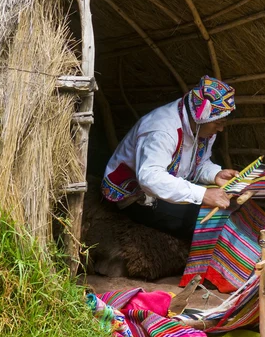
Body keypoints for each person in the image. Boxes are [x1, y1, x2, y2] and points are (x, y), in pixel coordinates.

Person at [101, 75, 238, 241]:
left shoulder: (203, 129)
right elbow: (150, 179)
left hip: (168, 186)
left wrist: (215, 174)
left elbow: (198, 163)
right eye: (218, 123)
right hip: (137, 196)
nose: (221, 129)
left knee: (235, 208)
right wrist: (203, 194)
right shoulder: (162, 130)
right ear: (201, 116)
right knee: (207, 223)